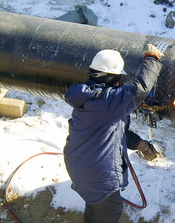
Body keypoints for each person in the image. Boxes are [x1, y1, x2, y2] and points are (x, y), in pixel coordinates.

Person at [63, 44, 163, 222]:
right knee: (109, 211)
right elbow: (140, 89)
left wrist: (138, 143)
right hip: (100, 176)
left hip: (81, 168)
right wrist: (152, 58)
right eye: (117, 78)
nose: (119, 83)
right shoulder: (108, 101)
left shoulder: (88, 96)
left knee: (95, 207)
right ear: (110, 78)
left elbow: (112, 132)